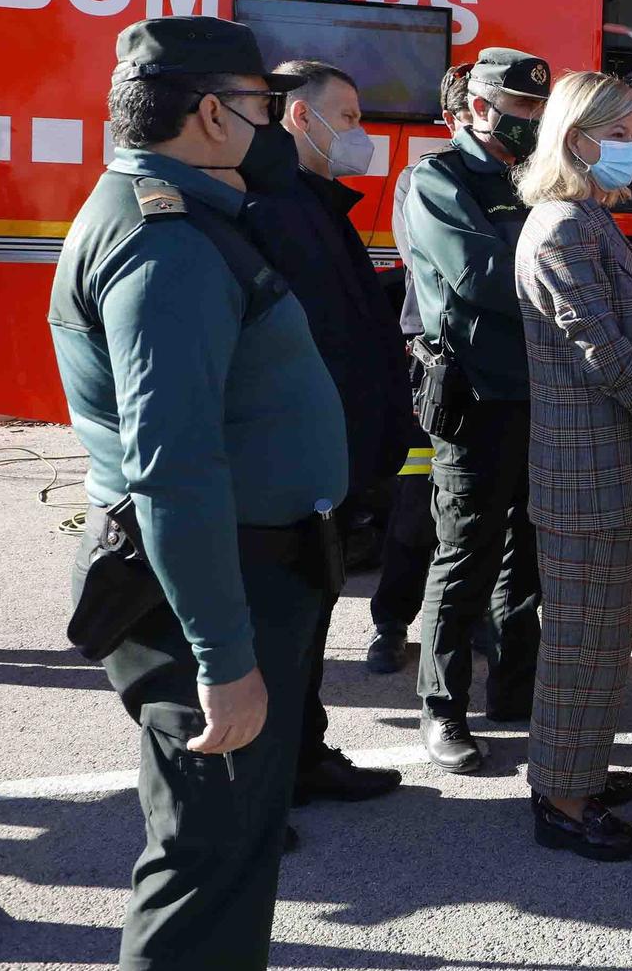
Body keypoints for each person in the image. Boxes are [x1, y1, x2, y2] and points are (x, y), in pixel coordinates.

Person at [48, 16, 348, 968]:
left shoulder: (185, 220)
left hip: (242, 566)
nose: (276, 128)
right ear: (213, 115)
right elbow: (173, 468)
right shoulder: (165, 247)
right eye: (265, 107)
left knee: (234, 842)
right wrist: (224, 656)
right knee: (204, 859)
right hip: (216, 588)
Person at [515, 71, 632, 859]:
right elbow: (602, 350)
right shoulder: (559, 228)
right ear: (576, 138)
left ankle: (571, 764)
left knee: (603, 634)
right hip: (581, 472)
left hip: (601, 467)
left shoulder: (584, 219)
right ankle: (562, 798)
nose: (629, 149)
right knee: (583, 640)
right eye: (618, 134)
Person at [237, 59, 411, 813]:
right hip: (296, 468)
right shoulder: (276, 209)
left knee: (309, 624)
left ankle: (303, 755)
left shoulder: (312, 205)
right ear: (298, 118)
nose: (360, 134)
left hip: (332, 466)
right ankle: (264, 787)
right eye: (348, 117)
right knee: (280, 633)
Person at [401, 46, 551, 772]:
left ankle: (515, 690)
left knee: (525, 553)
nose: (533, 121)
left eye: (538, 110)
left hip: (538, 391)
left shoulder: (535, 178)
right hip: (476, 396)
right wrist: (560, 264)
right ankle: (441, 706)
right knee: (465, 553)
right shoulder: (437, 178)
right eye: (522, 109)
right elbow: (480, 274)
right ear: (480, 108)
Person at [367, 64, 474, 673]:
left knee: (485, 510)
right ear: (453, 120)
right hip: (431, 362)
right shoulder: (420, 182)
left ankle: (479, 624)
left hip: (492, 371)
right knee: (415, 505)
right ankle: (391, 624)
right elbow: (433, 265)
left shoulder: (520, 181)